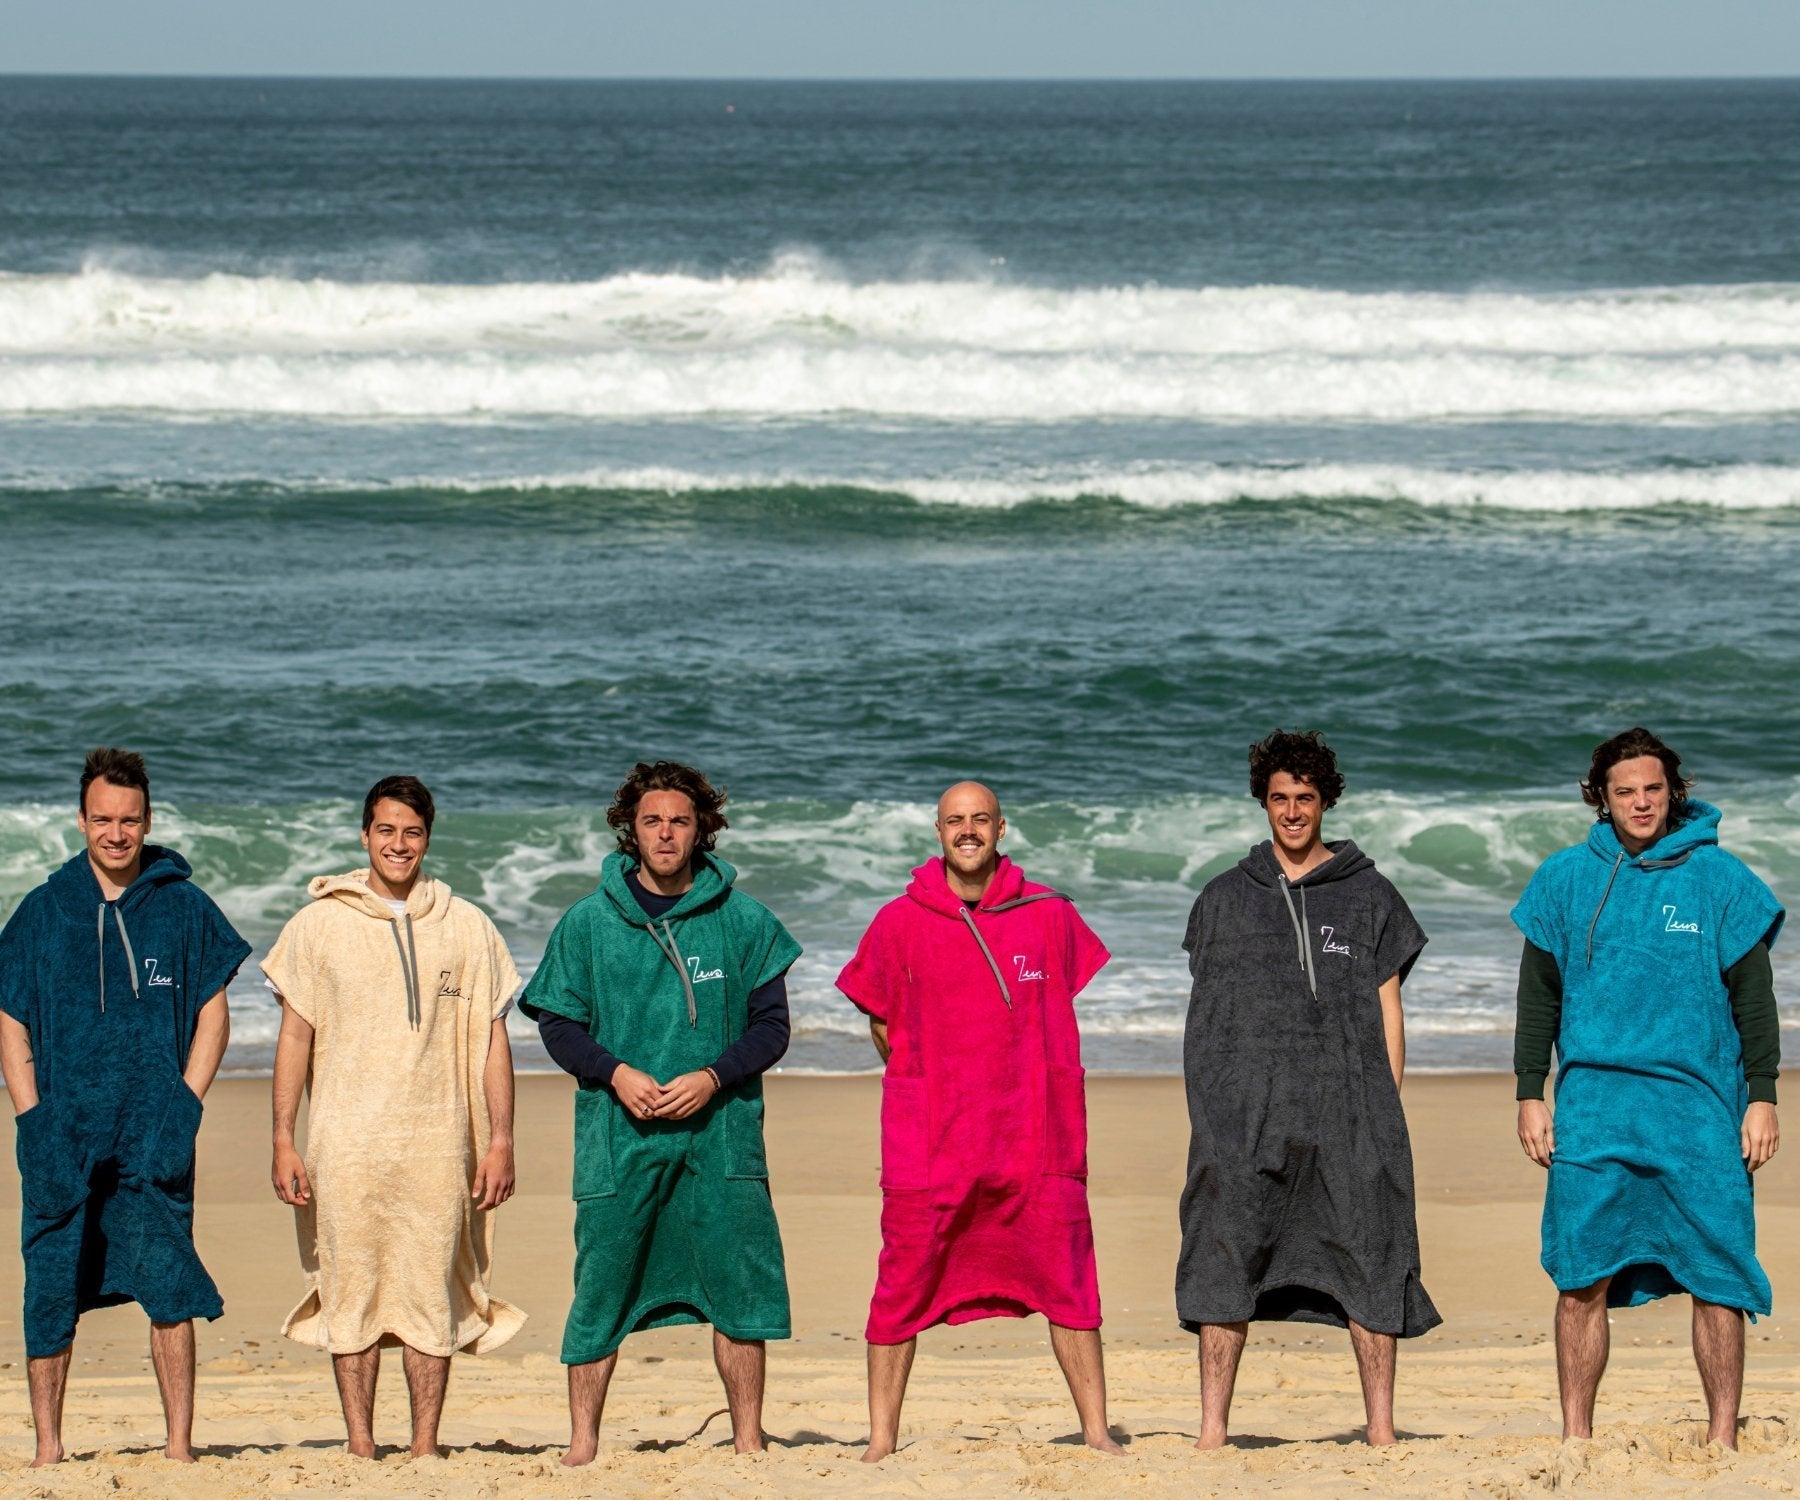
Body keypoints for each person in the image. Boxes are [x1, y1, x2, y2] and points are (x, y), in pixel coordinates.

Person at [522, 761, 801, 1465]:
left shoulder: (744, 919)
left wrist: (713, 1076)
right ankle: (583, 1441)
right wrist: (614, 1073)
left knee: (739, 1286)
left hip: (722, 1135)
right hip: (620, 1137)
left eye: (680, 819)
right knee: (602, 1286)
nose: (667, 832)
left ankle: (746, 1437)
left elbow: (772, 1029)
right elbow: (557, 1022)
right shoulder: (588, 922)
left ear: (702, 826)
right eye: (653, 820)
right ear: (631, 830)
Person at [1512, 727, 1783, 1448]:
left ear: (1674, 792)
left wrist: (1763, 1094)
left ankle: (1722, 1439)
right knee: (1580, 1273)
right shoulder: (1565, 877)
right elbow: (1538, 993)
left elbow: (1754, 996)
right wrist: (1528, 1090)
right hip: (1595, 1106)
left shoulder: (1719, 879)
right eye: (1625, 790)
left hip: (1698, 1109)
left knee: (1718, 1272)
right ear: (1600, 797)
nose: (1641, 802)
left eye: (1653, 789)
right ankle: (1578, 1440)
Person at [837, 780, 1123, 1462]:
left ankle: (1096, 1430)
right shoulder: (898, 920)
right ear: (938, 831)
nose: (969, 831)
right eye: (955, 821)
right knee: (900, 1282)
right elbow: (879, 1017)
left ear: (1001, 829)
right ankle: (881, 1439)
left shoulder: (1050, 913)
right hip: (932, 1141)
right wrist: (927, 1072)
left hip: (1035, 1135)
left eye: (981, 820)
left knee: (1070, 1279)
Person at [1177, 729, 1437, 1450]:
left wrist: (1385, 1108)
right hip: (1246, 1120)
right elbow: (1208, 1018)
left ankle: (1380, 1429)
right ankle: (1211, 1432)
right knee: (1224, 1257)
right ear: (1262, 802)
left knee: (1370, 1252)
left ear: (1326, 802)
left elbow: (1389, 1006)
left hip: (1351, 1116)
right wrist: (1215, 1117)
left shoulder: (1370, 896)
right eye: (1280, 799)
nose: (1293, 812)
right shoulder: (1223, 899)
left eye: (1307, 799)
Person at [0, 748, 250, 1467]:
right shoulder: (45, 911)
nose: (117, 833)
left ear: (148, 821)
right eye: (103, 819)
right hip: (62, 1133)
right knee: (50, 1281)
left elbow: (212, 1011)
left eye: (130, 819)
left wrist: (186, 1102)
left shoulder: (183, 906)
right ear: (81, 820)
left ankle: (178, 1447)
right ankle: (49, 1449)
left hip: (154, 1130)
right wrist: (31, 1115)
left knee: (168, 1278)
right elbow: (10, 1014)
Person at [263, 775, 526, 1458]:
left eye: (411, 831)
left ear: (427, 838)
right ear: (364, 836)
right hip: (343, 1143)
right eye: (386, 830)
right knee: (349, 1289)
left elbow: (494, 1038)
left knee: (428, 1289)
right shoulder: (318, 925)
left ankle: (425, 1445)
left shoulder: (467, 926)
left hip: (440, 1143)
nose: (398, 844)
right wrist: (282, 1138)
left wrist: (501, 1140)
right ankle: (359, 1443)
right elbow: (296, 1036)